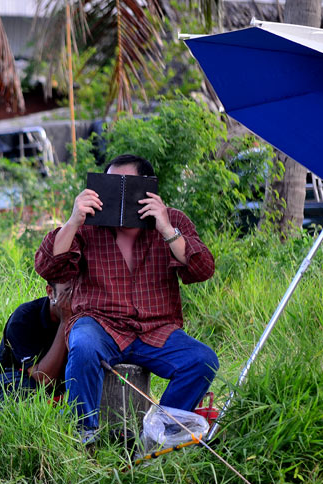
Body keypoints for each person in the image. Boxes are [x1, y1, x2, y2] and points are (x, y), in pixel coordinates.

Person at [34, 154, 218, 441]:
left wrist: (167, 230)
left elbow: (203, 268)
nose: (117, 193)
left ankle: (158, 435)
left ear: (147, 190)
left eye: (125, 185)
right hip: (99, 322)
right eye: (110, 184)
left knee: (202, 360)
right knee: (83, 346)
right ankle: (84, 435)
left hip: (155, 329)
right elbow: (48, 266)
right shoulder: (89, 224)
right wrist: (73, 220)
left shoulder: (173, 220)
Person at [0, 281, 72, 406]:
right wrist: (65, 322)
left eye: (79, 291)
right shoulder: (24, 318)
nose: (75, 298)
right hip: (11, 379)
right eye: (68, 292)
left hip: (55, 388)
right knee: (19, 393)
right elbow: (43, 379)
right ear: (50, 292)